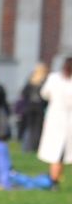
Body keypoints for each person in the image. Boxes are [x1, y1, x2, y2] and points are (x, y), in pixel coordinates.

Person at [37, 56, 72, 188]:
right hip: (67, 120)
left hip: (56, 118)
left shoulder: (54, 78)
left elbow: (45, 93)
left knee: (56, 152)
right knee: (60, 152)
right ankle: (55, 178)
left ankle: (54, 179)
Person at [17, 62, 49, 154]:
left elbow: (24, 93)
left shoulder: (31, 80)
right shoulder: (45, 80)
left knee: (29, 127)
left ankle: (27, 147)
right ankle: (35, 147)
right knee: (38, 128)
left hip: (29, 107)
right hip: (39, 108)